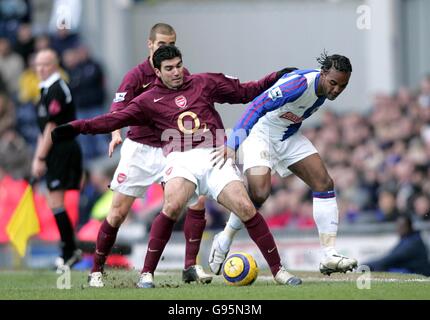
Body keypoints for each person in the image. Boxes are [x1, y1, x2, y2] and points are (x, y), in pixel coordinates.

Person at [52, 44, 302, 287]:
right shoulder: (147, 100)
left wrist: (276, 76)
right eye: (169, 68)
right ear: (157, 72)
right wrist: (75, 127)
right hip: (180, 158)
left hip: (215, 154)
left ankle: (279, 270)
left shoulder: (205, 82)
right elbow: (111, 120)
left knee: (246, 207)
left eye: (179, 66)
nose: (176, 72)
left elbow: (247, 92)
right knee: (171, 206)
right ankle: (147, 274)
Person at [209, 52, 358, 276]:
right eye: (333, 83)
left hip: (287, 137)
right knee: (259, 194)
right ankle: (226, 236)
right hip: (261, 135)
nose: (336, 90)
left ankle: (329, 255)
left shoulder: (324, 89)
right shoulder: (298, 84)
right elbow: (256, 106)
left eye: (342, 86)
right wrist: (233, 143)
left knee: (324, 182)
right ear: (323, 73)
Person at [86, 24, 212, 288]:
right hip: (140, 149)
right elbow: (118, 108)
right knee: (118, 212)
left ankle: (190, 266)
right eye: (161, 43)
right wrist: (115, 133)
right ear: (149, 44)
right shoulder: (136, 76)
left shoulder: (180, 74)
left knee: (196, 202)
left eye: (172, 43)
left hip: (172, 149)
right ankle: (96, 269)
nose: (166, 48)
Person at [31, 48, 82, 267]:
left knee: (56, 200)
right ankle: (69, 249)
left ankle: (69, 250)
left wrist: (40, 158)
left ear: (55, 65)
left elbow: (52, 126)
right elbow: (43, 130)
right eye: (38, 64)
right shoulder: (44, 89)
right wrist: (38, 156)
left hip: (62, 149)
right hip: (52, 149)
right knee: (54, 202)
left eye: (45, 64)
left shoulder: (57, 89)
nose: (41, 68)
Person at [365, 215, 430, 276]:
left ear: (410, 227)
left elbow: (392, 258)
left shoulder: (413, 243)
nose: (399, 229)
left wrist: (369, 265)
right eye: (398, 226)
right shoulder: (408, 239)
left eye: (402, 226)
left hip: (420, 274)